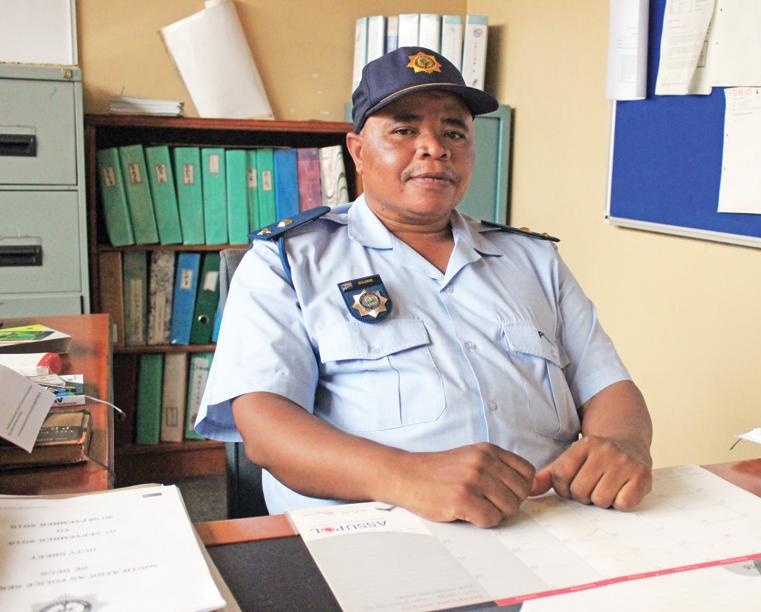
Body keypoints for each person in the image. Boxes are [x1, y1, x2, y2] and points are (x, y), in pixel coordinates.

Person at [196, 46, 652, 527]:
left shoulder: (533, 260)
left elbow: (609, 386)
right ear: (358, 151)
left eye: (454, 132)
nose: (435, 147)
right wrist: (406, 476)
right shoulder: (290, 260)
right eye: (405, 130)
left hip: (547, 521)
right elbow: (264, 424)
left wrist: (623, 445)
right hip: (373, 529)